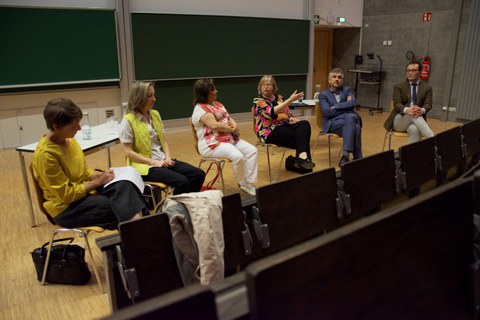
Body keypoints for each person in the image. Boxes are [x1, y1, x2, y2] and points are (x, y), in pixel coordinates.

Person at [32, 98, 146, 229]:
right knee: (125, 204)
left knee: (126, 187)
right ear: (56, 127)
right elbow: (66, 195)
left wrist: (95, 176)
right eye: (74, 126)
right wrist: (98, 182)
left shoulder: (69, 140)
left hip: (83, 194)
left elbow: (83, 170)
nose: (79, 128)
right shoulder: (46, 155)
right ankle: (140, 240)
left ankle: (138, 238)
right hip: (66, 208)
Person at [120, 81, 205, 195]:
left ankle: (186, 205)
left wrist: (168, 158)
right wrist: (154, 162)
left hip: (163, 160)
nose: (154, 99)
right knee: (182, 182)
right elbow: (128, 152)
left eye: (154, 95)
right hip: (145, 166)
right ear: (138, 98)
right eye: (149, 96)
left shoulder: (155, 114)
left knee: (198, 174)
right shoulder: (128, 120)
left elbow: (163, 141)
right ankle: (174, 210)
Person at [192, 78, 258, 196]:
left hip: (229, 139)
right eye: (213, 90)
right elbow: (214, 125)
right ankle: (242, 183)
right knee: (238, 157)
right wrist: (231, 129)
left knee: (252, 151)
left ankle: (249, 182)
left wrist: (235, 125)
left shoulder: (218, 104)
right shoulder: (200, 109)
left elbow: (228, 117)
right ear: (206, 92)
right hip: (212, 144)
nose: (216, 91)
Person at [253, 75, 315, 172]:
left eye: (268, 85)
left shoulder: (279, 98)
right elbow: (271, 113)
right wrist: (289, 100)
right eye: (263, 85)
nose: (265, 87)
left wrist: (291, 118)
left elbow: (287, 113)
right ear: (260, 87)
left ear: (273, 87)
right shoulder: (259, 101)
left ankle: (301, 158)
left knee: (304, 124)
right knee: (301, 137)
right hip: (268, 131)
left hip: (283, 125)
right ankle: (303, 165)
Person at [319, 68, 363, 166]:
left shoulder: (347, 90)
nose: (337, 79)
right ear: (329, 80)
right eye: (334, 77)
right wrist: (346, 108)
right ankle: (358, 157)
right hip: (333, 123)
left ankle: (346, 156)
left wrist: (336, 106)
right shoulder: (323, 95)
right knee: (354, 123)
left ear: (342, 80)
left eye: (339, 77)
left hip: (346, 122)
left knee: (352, 123)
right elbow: (327, 112)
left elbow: (352, 103)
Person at [384, 61, 434, 143]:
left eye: (413, 70)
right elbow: (397, 104)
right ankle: (433, 140)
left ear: (420, 72)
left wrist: (421, 110)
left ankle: (412, 155)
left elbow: (428, 104)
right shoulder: (399, 86)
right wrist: (408, 110)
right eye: (408, 70)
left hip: (416, 119)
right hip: (399, 120)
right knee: (412, 114)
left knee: (414, 129)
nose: (410, 73)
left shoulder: (427, 88)